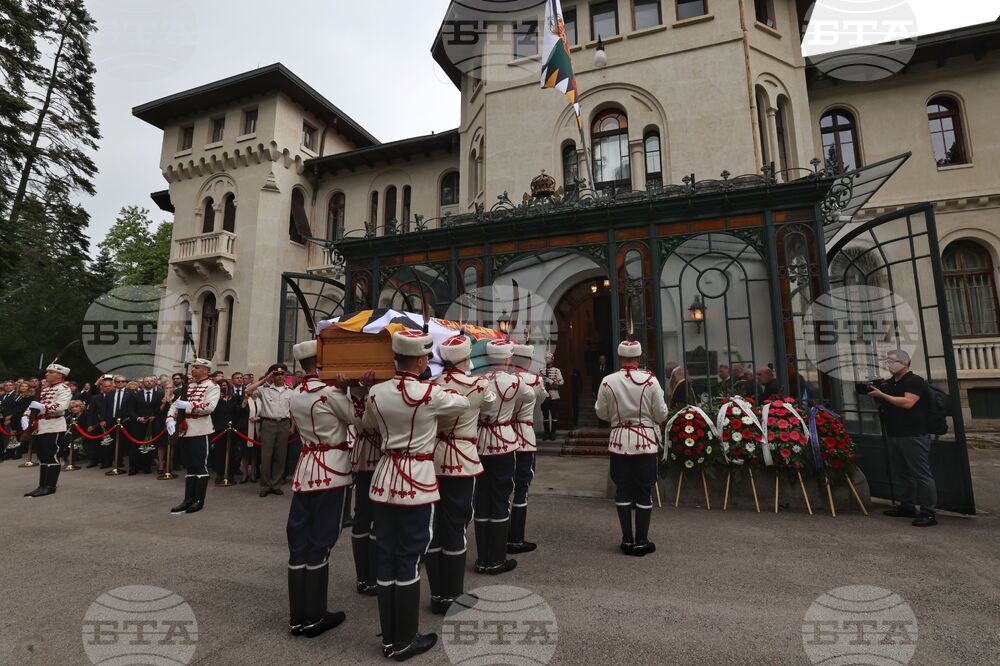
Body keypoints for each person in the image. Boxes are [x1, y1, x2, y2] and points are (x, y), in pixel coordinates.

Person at [362, 329, 469, 660]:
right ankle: (405, 639)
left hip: (384, 479)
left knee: (386, 556)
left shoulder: (377, 392)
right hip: (417, 482)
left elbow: (366, 423)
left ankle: (391, 638)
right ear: (422, 360)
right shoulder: (431, 394)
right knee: (408, 558)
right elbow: (463, 402)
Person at [285, 340, 355, 638]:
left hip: (306, 469)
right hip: (332, 469)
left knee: (299, 542)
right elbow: (360, 419)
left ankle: (298, 617)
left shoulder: (294, 394)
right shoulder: (329, 393)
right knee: (322, 541)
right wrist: (356, 391)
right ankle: (314, 616)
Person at [425, 334, 495, 615]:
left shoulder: (432, 386)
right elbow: (489, 405)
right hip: (463, 458)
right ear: (466, 359)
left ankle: (436, 594)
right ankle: (452, 594)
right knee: (457, 524)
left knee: (434, 527)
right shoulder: (478, 385)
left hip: (432, 457)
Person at [595, 341, 669, 556]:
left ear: (620, 358)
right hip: (645, 442)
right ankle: (641, 541)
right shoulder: (651, 381)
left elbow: (600, 412)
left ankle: (626, 540)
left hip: (619, 442)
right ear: (638, 358)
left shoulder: (608, 381)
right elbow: (661, 414)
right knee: (645, 491)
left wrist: (617, 419)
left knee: (622, 490)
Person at [475, 339, 532, 575]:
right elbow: (530, 396)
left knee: (481, 500)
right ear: (509, 358)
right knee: (500, 499)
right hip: (504, 442)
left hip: (478, 442)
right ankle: (496, 559)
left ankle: (482, 558)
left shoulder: (477, 381)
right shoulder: (516, 382)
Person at [868, 349, 938, 527]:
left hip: (913, 434)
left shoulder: (914, 381)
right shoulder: (890, 383)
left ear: (905, 363)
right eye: (888, 362)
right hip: (894, 433)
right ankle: (907, 506)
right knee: (902, 473)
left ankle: (928, 512)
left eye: (893, 361)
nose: (889, 365)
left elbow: (908, 402)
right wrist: (875, 395)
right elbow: (881, 404)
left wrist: (882, 395)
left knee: (921, 474)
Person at [166, 358, 220, 514]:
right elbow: (175, 404)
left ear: (205, 370)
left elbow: (209, 407)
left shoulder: (212, 387)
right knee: (189, 466)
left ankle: (198, 500)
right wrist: (170, 419)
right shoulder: (188, 386)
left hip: (200, 430)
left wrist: (188, 406)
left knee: (199, 465)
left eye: (196, 367)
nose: (193, 370)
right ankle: (188, 499)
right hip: (184, 431)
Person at [508, 342, 544, 555]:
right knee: (522, 489)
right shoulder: (534, 381)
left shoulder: (501, 379)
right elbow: (541, 397)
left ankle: (501, 535)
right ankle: (516, 537)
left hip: (502, 437)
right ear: (529, 361)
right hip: (524, 438)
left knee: (502, 490)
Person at [23, 364, 73, 497]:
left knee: (51, 456)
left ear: (59, 375)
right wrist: (25, 417)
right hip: (40, 427)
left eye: (50, 372)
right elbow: (33, 405)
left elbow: (61, 406)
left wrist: (42, 406)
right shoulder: (44, 389)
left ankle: (50, 486)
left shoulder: (64, 388)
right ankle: (42, 485)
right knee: (43, 457)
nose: (46, 374)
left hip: (54, 426)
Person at [246, 364, 294, 498]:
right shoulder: (264, 389)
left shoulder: (290, 391)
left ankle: (276, 484)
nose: (279, 377)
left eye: (282, 374)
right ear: (272, 375)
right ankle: (265, 485)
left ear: (285, 376)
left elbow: (292, 410)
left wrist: (293, 426)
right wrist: (264, 379)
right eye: (276, 374)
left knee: (280, 456)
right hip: (268, 423)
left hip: (284, 423)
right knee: (266, 456)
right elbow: (248, 391)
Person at [127, 376, 164, 475]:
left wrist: (154, 416)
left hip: (152, 424)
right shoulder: (135, 395)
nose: (149, 383)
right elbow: (131, 410)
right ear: (143, 383)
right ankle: (133, 467)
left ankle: (146, 467)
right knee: (136, 446)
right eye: (146, 381)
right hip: (138, 424)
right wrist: (138, 418)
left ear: (154, 383)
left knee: (149, 446)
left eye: (151, 381)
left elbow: (160, 409)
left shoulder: (159, 394)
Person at [539, 352, 564, 441]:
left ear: (552, 360)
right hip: (545, 396)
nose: (547, 360)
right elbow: (539, 383)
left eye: (548, 358)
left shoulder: (557, 370)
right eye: (546, 358)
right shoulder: (541, 371)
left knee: (554, 416)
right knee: (545, 416)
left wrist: (554, 382)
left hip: (554, 395)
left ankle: (553, 433)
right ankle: (546, 433)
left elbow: (561, 382)